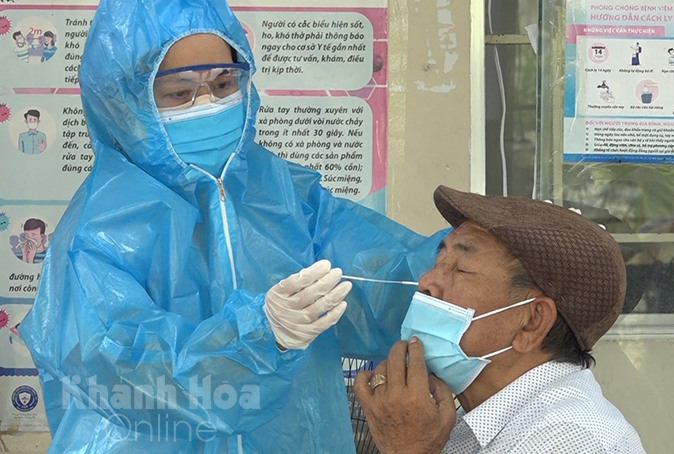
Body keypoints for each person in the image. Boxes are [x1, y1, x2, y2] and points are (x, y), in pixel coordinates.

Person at [19, 0, 444, 452]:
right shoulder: (97, 230)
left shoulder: (281, 192)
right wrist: (260, 340)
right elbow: (125, 369)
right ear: (124, 103)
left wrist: (459, 275)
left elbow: (383, 276)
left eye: (224, 83)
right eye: (179, 94)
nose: (209, 105)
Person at [356, 186, 646, 454]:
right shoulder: (470, 423)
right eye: (438, 262)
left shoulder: (568, 436)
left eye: (461, 269)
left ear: (531, 322)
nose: (426, 281)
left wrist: (409, 448)